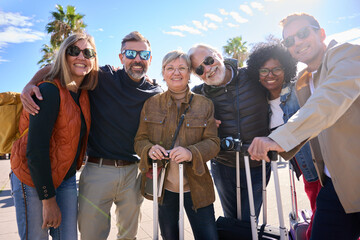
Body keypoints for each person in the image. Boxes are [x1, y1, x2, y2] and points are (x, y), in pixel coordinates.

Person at [20, 31, 163, 240]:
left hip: (133, 172)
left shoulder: (156, 92)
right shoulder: (102, 77)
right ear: (121, 57)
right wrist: (30, 83)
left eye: (143, 54)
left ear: (150, 58)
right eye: (131, 53)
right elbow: (63, 66)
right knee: (91, 235)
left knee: (129, 235)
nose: (137, 59)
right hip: (97, 170)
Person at [248, 13, 360, 240]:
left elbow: (328, 101)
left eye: (302, 34)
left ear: (321, 33)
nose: (297, 42)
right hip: (334, 185)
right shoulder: (303, 79)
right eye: (289, 41)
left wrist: (278, 138)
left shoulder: (348, 54)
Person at [10, 33, 98, 240]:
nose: (81, 57)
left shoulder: (84, 91)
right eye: (74, 51)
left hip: (65, 178)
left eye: (88, 52)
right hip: (32, 177)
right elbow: (35, 150)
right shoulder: (48, 91)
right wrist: (48, 200)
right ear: (63, 56)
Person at [134, 50, 220, 240]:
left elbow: (214, 143)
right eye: (170, 68)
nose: (176, 72)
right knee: (169, 236)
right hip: (164, 189)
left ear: (189, 72)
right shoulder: (151, 104)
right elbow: (140, 140)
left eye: (182, 68)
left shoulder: (205, 104)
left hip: (197, 187)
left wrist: (191, 153)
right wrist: (149, 149)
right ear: (163, 73)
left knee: (209, 237)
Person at [246, 39, 321, 239]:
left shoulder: (299, 90)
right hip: (304, 169)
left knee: (325, 222)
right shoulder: (259, 100)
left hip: (320, 168)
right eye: (264, 70)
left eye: (276, 69)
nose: (270, 75)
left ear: (286, 68)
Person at [189, 44, 271, 221]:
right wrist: (199, 123)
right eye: (200, 69)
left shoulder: (252, 75)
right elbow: (179, 116)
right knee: (232, 220)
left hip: (258, 164)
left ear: (219, 54)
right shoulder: (198, 96)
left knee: (250, 221)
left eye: (209, 60)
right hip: (224, 167)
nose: (208, 69)